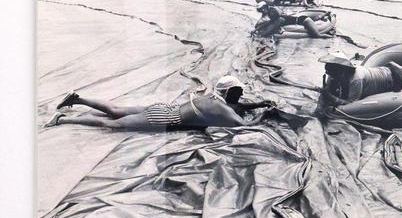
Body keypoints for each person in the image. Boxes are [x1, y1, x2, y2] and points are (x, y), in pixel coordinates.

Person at [49, 75, 269, 130]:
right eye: (238, 92)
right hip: (164, 119)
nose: (241, 96)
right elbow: (244, 126)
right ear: (227, 92)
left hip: (164, 108)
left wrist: (257, 105)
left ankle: (78, 99)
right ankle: (64, 121)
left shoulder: (213, 99)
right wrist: (264, 115)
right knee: (112, 124)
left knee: (115, 110)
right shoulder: (222, 109)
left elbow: (236, 106)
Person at [319, 50, 402, 104]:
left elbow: (351, 103)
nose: (330, 76)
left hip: (392, 78)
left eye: (332, 74)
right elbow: (329, 87)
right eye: (329, 74)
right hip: (381, 72)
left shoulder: (356, 79)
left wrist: (330, 97)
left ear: (341, 72)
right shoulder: (336, 75)